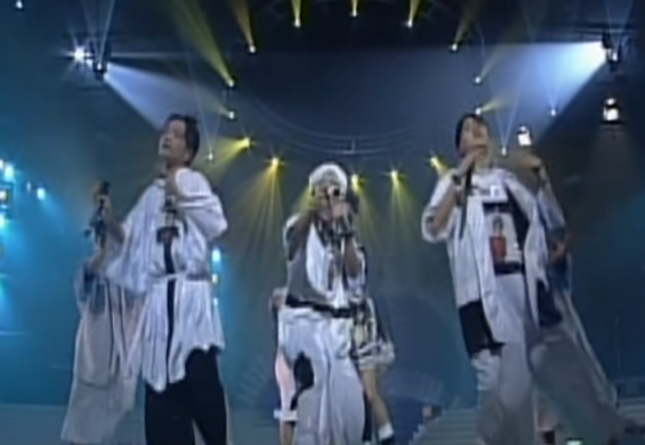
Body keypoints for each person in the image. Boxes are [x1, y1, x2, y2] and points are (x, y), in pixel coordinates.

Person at [103, 114, 229, 445]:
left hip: (190, 295)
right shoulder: (151, 196)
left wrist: (181, 194)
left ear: (188, 151)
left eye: (176, 134)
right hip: (160, 299)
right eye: (165, 132)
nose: (166, 138)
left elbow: (216, 224)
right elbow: (130, 240)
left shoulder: (194, 182)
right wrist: (109, 221)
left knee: (201, 383)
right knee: (161, 394)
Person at [279, 162, 366, 445]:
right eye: (323, 189)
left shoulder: (344, 234)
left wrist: (347, 230)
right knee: (313, 403)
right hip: (304, 324)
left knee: (349, 407)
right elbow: (292, 246)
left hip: (336, 331)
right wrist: (312, 211)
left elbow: (355, 276)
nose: (329, 197)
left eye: (335, 191)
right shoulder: (298, 225)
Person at [61, 239, 141, 445]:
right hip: (94, 364)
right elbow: (85, 279)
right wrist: (103, 253)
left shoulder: (131, 281)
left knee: (118, 422)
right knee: (83, 428)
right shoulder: (91, 277)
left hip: (122, 370)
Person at [352, 294, 397, 445]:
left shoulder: (363, 303)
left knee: (370, 393)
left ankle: (386, 438)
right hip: (357, 351)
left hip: (367, 349)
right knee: (363, 396)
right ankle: (368, 438)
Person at [271, 286, 297, 445]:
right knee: (287, 411)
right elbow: (275, 298)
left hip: (299, 360)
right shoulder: (286, 298)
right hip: (286, 361)